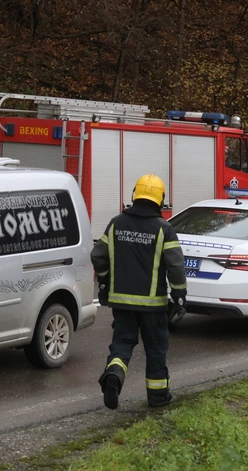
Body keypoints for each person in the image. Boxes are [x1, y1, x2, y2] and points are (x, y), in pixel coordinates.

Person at [91, 174, 187, 410]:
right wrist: (179, 297)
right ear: (160, 200)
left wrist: (104, 284)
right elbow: (175, 267)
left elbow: (98, 256)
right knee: (155, 349)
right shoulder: (165, 229)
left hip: (121, 303)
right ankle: (158, 397)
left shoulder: (116, 224)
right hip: (153, 306)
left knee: (122, 345)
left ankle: (113, 375)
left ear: (135, 195)